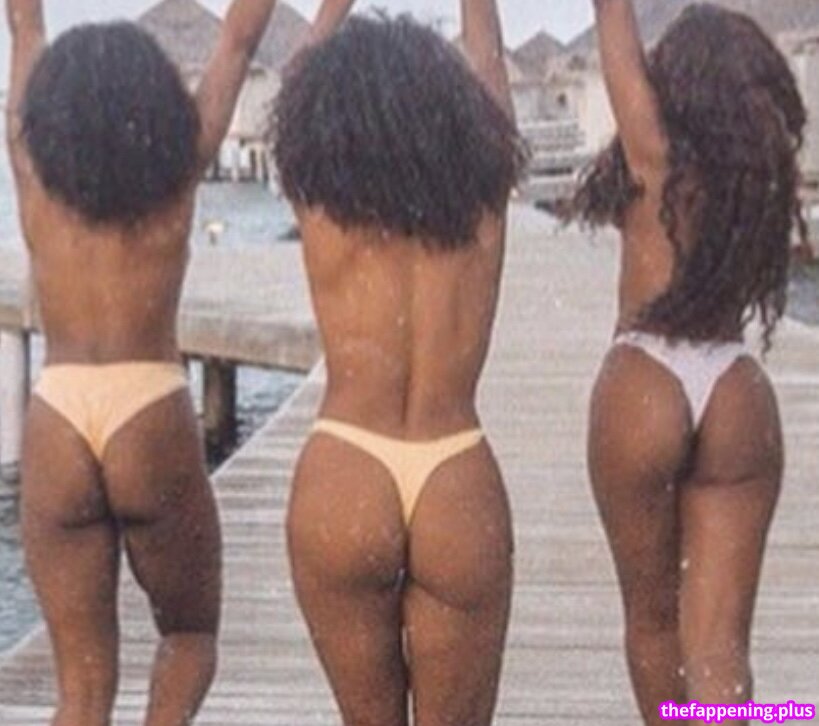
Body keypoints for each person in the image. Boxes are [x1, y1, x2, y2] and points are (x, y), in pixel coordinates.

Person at [5, 1, 277, 723]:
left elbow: (25, 26)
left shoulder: (30, 164)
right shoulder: (180, 164)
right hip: (147, 405)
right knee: (188, 636)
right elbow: (240, 38)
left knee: (80, 693)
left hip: (58, 411)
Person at [272, 0, 526, 723]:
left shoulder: (321, 201)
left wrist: (334, 5)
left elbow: (295, 88)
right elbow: (489, 68)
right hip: (455, 476)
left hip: (344, 471)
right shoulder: (485, 193)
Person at [566, 1, 806, 724]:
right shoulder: (754, 178)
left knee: (652, 622)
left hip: (644, 381)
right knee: (721, 646)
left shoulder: (652, 151)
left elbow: (611, 16)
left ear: (673, 82)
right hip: (735, 389)